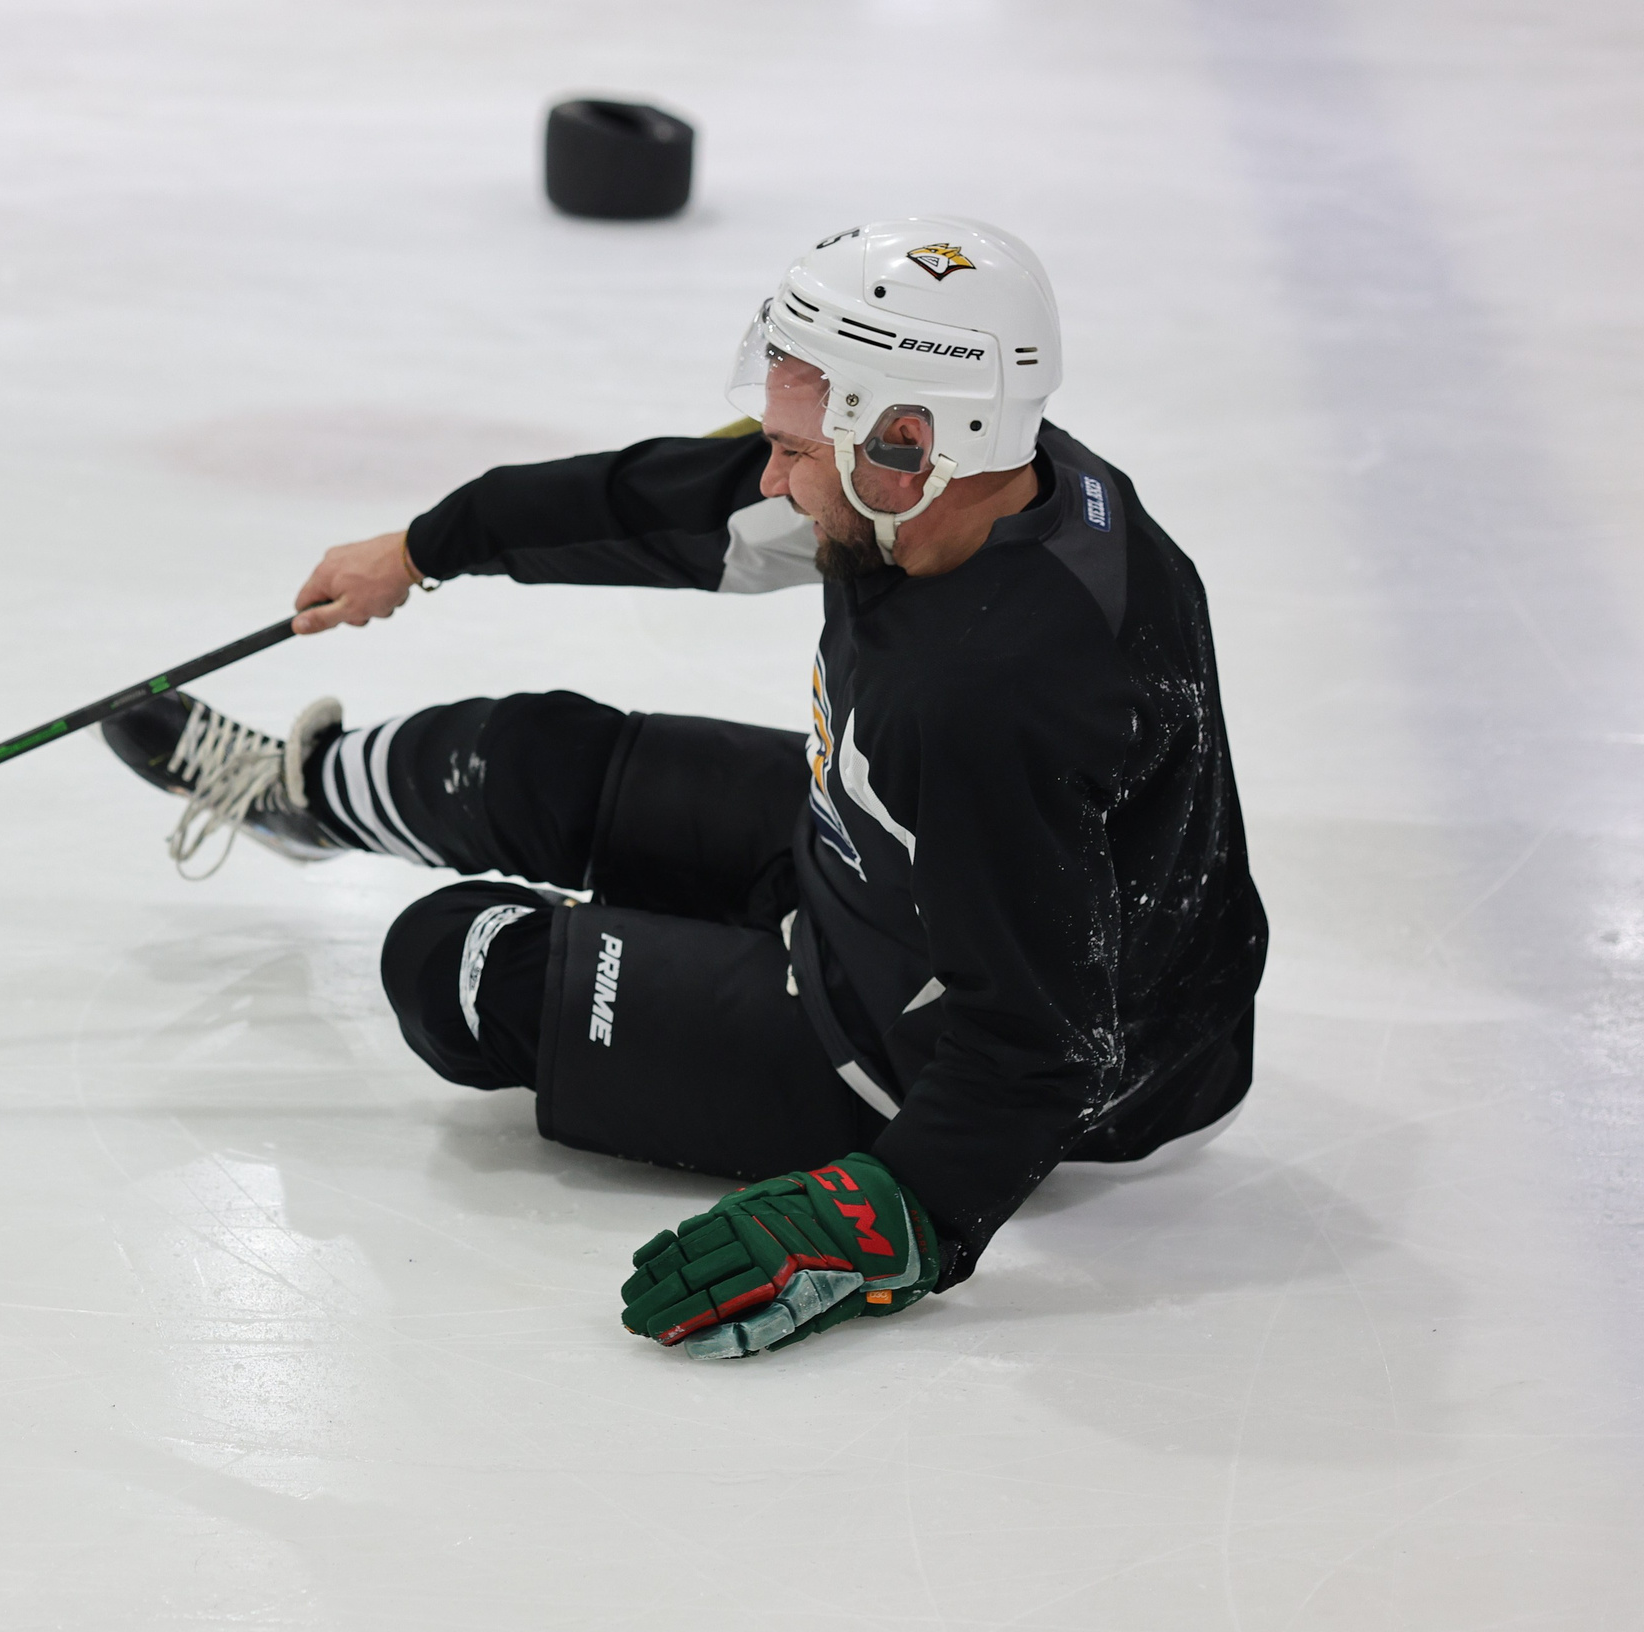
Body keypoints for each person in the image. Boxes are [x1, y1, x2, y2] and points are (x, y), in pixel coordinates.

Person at [102, 217, 1268, 1359]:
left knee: (449, 965)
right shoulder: (999, 486)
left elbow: (1045, 1039)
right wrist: (423, 546)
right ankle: (299, 796)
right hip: (873, 859)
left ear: (909, 442)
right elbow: (683, 502)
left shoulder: (996, 697)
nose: (772, 473)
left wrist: (891, 1213)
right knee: (520, 758)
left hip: (908, 1047)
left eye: (797, 450)